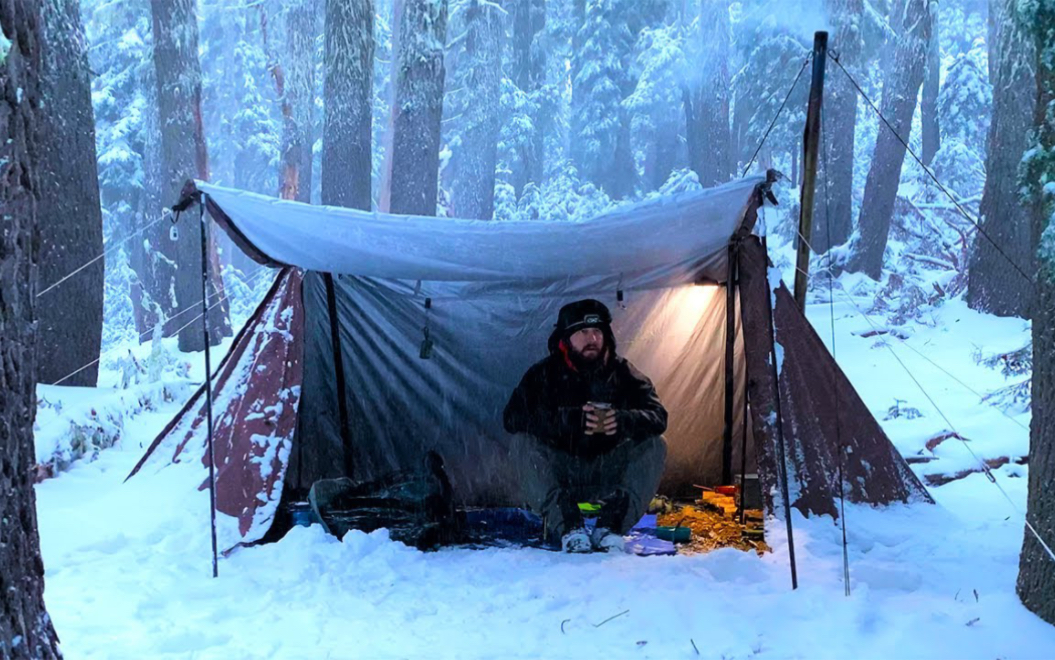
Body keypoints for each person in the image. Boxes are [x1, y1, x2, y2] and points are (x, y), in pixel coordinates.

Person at [503, 299, 668, 553]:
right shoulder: (543, 374)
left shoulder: (624, 373)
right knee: (521, 444)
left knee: (655, 445)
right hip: (561, 471)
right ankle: (568, 525)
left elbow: (658, 417)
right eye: (583, 332)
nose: (592, 338)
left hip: (607, 470)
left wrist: (623, 421)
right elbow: (512, 418)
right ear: (566, 338)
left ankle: (611, 526)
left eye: (597, 331)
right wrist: (568, 421)